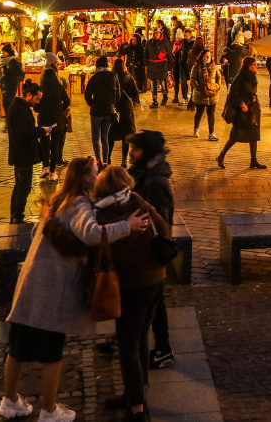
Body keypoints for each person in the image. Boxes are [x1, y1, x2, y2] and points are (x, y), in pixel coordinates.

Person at [0, 156, 148, 422]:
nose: (99, 173)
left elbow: (36, 234)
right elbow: (92, 234)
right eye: (95, 171)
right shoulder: (80, 203)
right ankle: (49, 410)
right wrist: (128, 226)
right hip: (53, 287)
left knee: (18, 345)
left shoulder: (58, 199)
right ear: (84, 178)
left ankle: (9, 401)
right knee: (52, 352)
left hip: (32, 281)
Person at [93, 165, 170, 421]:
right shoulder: (136, 200)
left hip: (132, 286)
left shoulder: (102, 215)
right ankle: (136, 394)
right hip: (156, 279)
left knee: (127, 347)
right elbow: (163, 227)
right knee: (140, 339)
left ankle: (136, 409)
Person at [125, 130, 176, 370]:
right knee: (154, 300)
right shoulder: (144, 173)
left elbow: (160, 223)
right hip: (143, 250)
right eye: (130, 147)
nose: (130, 153)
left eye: (135, 148)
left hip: (149, 251)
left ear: (148, 151)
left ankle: (162, 349)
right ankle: (140, 342)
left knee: (155, 301)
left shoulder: (154, 181)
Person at [7, 82, 49, 223]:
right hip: (22, 154)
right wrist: (41, 132)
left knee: (19, 185)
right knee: (23, 187)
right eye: (37, 98)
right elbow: (23, 134)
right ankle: (18, 216)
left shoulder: (19, 107)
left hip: (20, 153)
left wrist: (39, 130)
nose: (38, 102)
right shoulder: (19, 110)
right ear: (29, 95)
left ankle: (15, 214)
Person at [216, 56, 265, 169]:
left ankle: (254, 161)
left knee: (253, 136)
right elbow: (232, 96)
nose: (257, 66)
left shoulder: (252, 77)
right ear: (249, 66)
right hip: (242, 112)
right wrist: (242, 104)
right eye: (255, 64)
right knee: (236, 135)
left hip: (253, 110)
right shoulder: (239, 79)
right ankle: (221, 155)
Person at [37, 53, 70, 181]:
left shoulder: (41, 86)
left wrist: (40, 109)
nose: (58, 64)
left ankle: (45, 167)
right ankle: (52, 172)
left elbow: (36, 106)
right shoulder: (58, 85)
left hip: (45, 119)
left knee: (44, 143)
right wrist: (60, 111)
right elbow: (67, 101)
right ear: (52, 64)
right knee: (55, 145)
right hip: (56, 121)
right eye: (56, 63)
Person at [84, 55, 120, 164]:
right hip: (109, 111)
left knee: (95, 137)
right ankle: (105, 161)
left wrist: (92, 103)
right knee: (105, 137)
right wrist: (112, 104)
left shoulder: (94, 78)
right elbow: (118, 95)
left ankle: (98, 160)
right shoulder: (114, 77)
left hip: (96, 111)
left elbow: (87, 94)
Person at [110, 58, 140, 165]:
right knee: (126, 136)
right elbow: (135, 95)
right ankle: (124, 160)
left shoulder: (111, 77)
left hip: (113, 109)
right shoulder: (129, 78)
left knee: (111, 134)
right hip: (126, 110)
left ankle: (108, 158)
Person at [189, 48, 221, 140]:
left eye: (209, 56)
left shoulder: (213, 66)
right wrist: (199, 88)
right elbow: (192, 79)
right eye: (206, 56)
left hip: (212, 94)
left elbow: (218, 76)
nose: (208, 57)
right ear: (202, 56)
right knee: (199, 112)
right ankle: (196, 129)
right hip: (201, 95)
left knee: (211, 114)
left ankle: (211, 133)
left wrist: (217, 86)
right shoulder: (196, 67)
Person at [0, 44, 25, 120]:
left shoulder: (13, 61)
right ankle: (9, 121)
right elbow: (0, 76)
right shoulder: (3, 61)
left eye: (4, 52)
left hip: (11, 85)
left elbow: (19, 72)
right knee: (7, 104)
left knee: (8, 103)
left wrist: (10, 70)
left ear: (8, 52)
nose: (2, 53)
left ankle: (10, 121)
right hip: (4, 86)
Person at [145, 25, 171, 107]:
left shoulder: (165, 42)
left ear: (160, 33)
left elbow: (169, 54)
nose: (156, 34)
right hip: (152, 65)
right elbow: (145, 53)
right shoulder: (149, 42)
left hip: (162, 65)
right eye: (155, 33)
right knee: (153, 84)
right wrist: (146, 64)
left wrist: (170, 67)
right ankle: (154, 100)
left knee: (163, 83)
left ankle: (165, 96)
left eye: (158, 33)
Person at [173, 29, 195, 105]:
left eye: (186, 36)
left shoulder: (193, 43)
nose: (185, 38)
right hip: (182, 64)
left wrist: (185, 44)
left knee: (192, 83)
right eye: (184, 36)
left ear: (191, 35)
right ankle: (185, 98)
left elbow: (189, 51)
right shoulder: (182, 43)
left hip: (190, 65)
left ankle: (193, 99)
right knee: (183, 82)